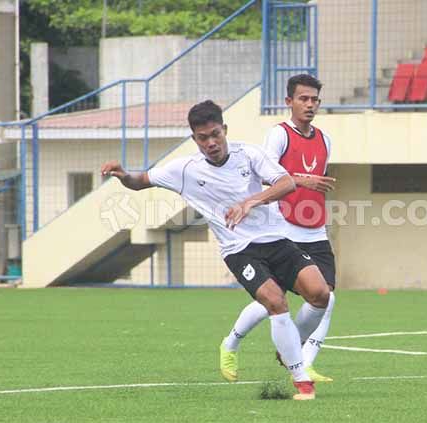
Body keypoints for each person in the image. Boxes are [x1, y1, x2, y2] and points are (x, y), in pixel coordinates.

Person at [100, 100, 330, 400]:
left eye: (215, 134)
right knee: (275, 300)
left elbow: (286, 183)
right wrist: (123, 174)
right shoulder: (184, 169)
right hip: (239, 249)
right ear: (194, 139)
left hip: (276, 239)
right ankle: (301, 380)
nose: (211, 143)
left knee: (321, 294)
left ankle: (288, 348)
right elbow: (141, 181)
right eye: (202, 138)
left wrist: (252, 201)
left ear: (225, 130)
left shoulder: (249, 154)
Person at [220, 74, 338, 383]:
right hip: (284, 229)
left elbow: (317, 184)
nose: (309, 104)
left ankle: (300, 360)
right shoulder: (279, 135)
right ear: (290, 102)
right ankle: (231, 343)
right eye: (303, 99)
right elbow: (268, 175)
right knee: (270, 303)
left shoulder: (325, 139)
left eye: (314, 100)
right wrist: (301, 179)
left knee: (326, 298)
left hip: (316, 230)